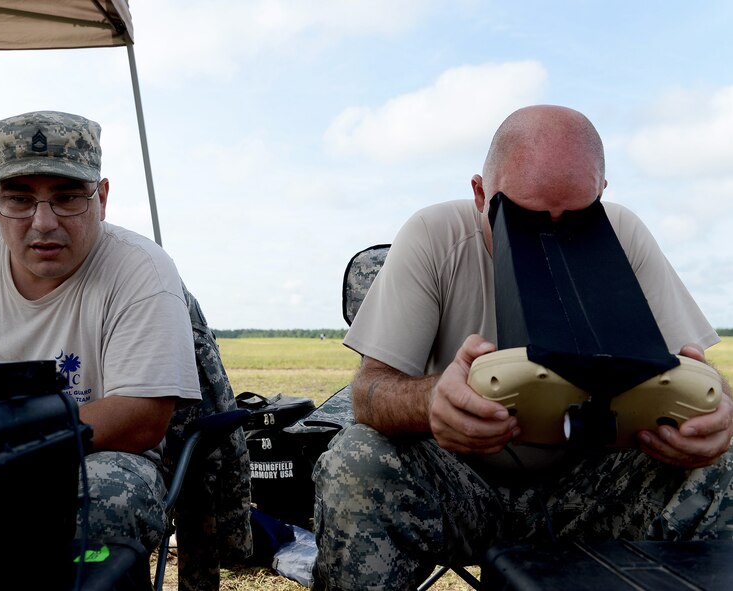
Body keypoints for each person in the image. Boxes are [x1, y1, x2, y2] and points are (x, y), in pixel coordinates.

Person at [312, 104, 733, 590]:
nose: (549, 235)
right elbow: (369, 392)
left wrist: (716, 416)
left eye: (576, 218)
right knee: (357, 461)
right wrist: (433, 402)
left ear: (601, 194)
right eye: (523, 217)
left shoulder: (623, 234)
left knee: (723, 462)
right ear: (479, 194)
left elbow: (705, 379)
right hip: (464, 486)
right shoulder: (433, 235)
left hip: (594, 489)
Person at [0, 110, 202, 552]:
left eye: (67, 198)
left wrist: (6, 443)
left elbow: (141, 417)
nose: (43, 222)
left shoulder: (140, 269)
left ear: (102, 198)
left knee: (100, 496)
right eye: (19, 199)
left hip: (95, 456)